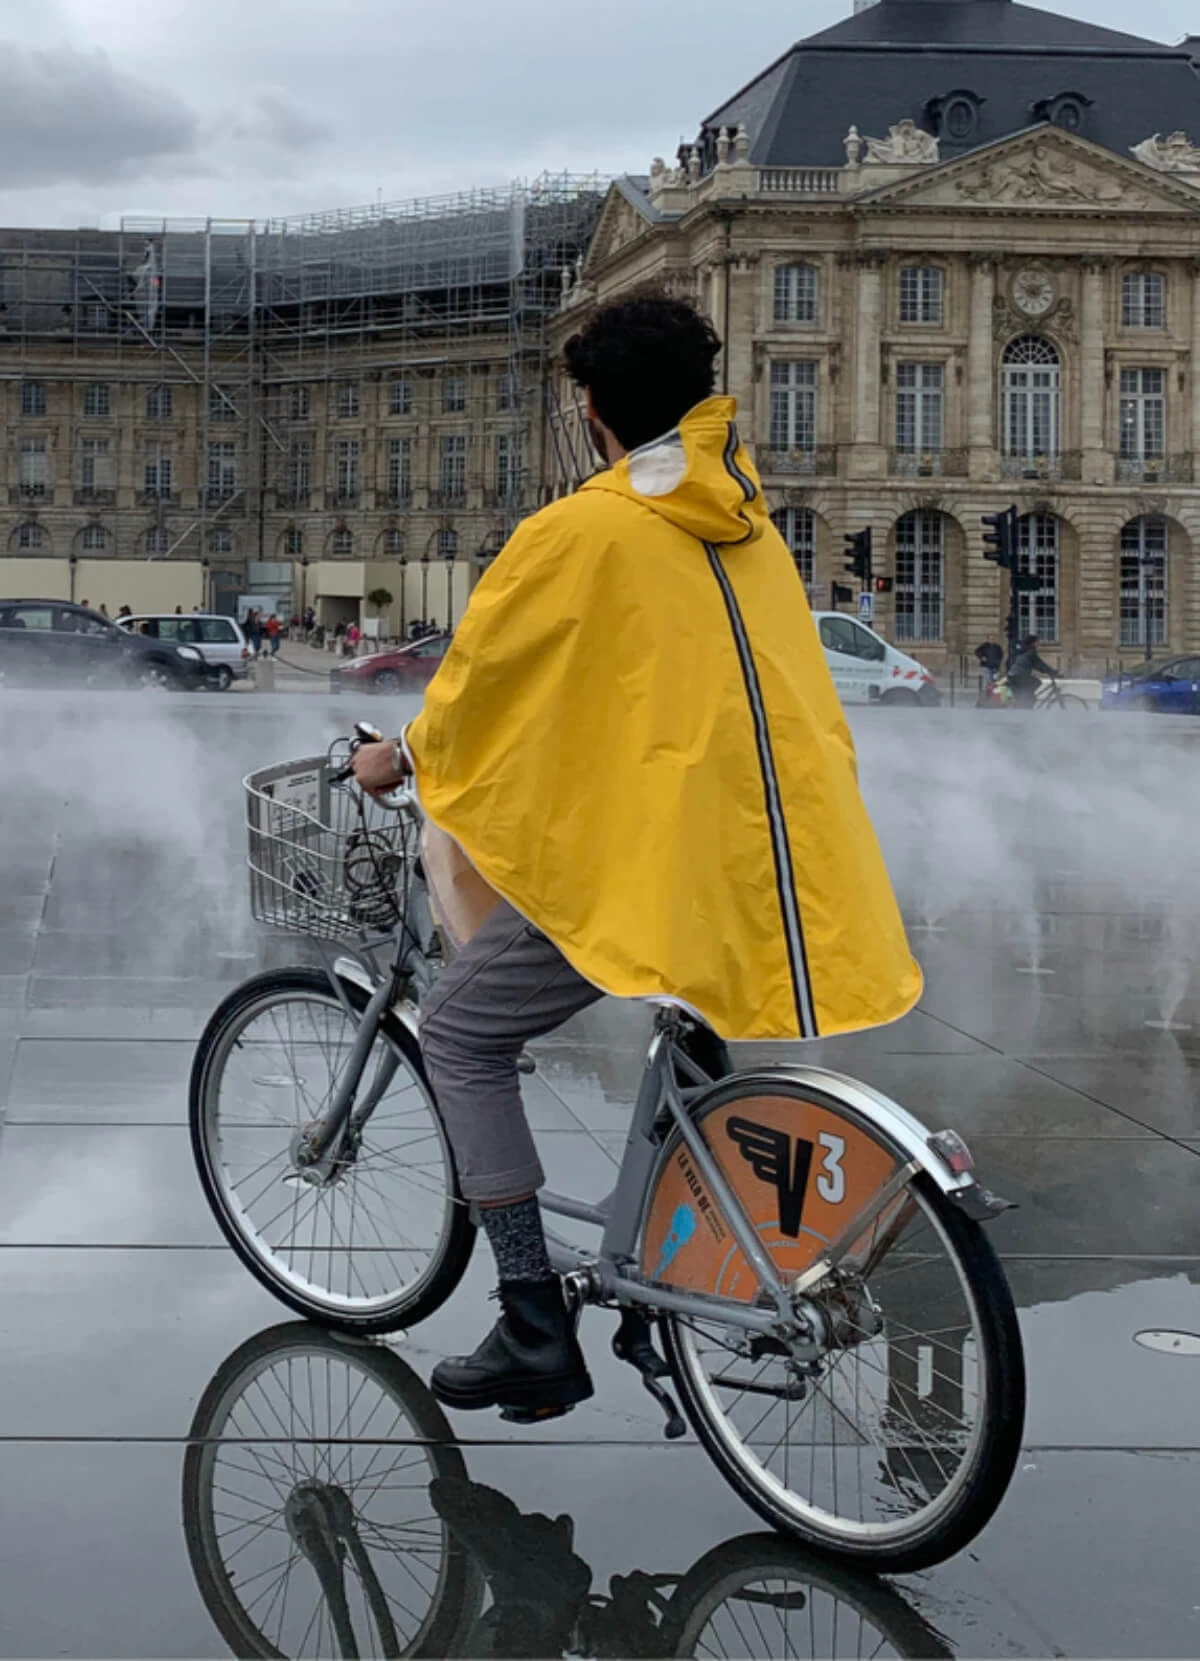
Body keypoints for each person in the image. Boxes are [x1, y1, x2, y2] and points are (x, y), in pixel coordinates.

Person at [352, 296, 920, 1420]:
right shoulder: (749, 526)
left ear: (594, 409)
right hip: (774, 862)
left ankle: (529, 1320)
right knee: (685, 1015)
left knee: (462, 1034)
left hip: (660, 860)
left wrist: (397, 756)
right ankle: (687, 1255)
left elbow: (480, 687)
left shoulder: (582, 529)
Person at [1006, 633, 1057, 708]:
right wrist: (1054, 672)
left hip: (1013, 674)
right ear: (1033, 643)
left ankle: (1026, 700)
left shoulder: (1024, 650)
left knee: (1031, 686)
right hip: (1019, 675)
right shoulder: (1031, 653)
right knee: (1036, 682)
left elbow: (1038, 666)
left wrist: (1049, 671)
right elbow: (1041, 665)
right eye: (1037, 642)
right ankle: (1025, 701)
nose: (1038, 643)